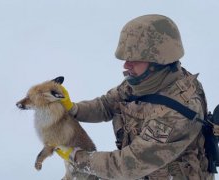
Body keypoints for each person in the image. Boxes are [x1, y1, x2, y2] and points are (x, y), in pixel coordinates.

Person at [55, 14, 214, 180]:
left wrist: (77, 157)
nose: (126, 65)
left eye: (134, 59)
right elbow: (106, 105)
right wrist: (72, 108)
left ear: (158, 60)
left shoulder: (177, 112)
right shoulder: (144, 81)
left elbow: (128, 164)